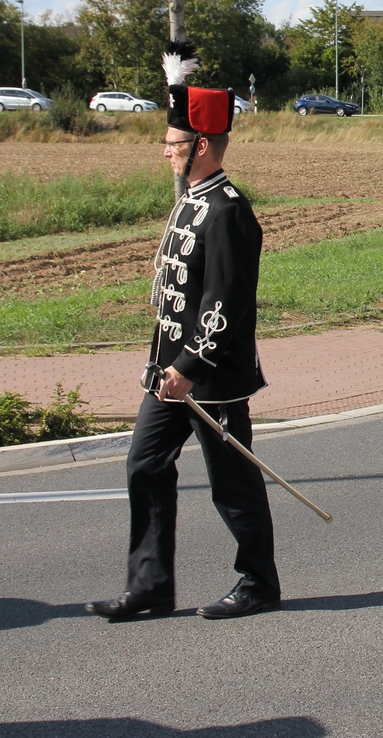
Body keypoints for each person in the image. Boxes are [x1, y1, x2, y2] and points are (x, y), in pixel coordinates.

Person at [88, 42, 277, 622]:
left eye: (172, 143)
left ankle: (259, 583)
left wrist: (190, 367)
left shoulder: (228, 210)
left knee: (232, 483)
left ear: (200, 145)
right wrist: (165, 365)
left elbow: (226, 303)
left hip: (210, 376)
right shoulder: (192, 201)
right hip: (168, 373)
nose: (165, 152)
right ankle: (149, 585)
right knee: (144, 464)